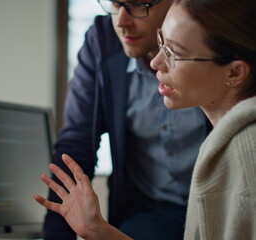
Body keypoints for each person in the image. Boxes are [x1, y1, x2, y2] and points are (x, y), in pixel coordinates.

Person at [36, 0, 256, 239]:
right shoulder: (102, 41)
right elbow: (76, 143)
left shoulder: (244, 154)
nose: (121, 21)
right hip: (149, 212)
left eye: (138, 4)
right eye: (115, 3)